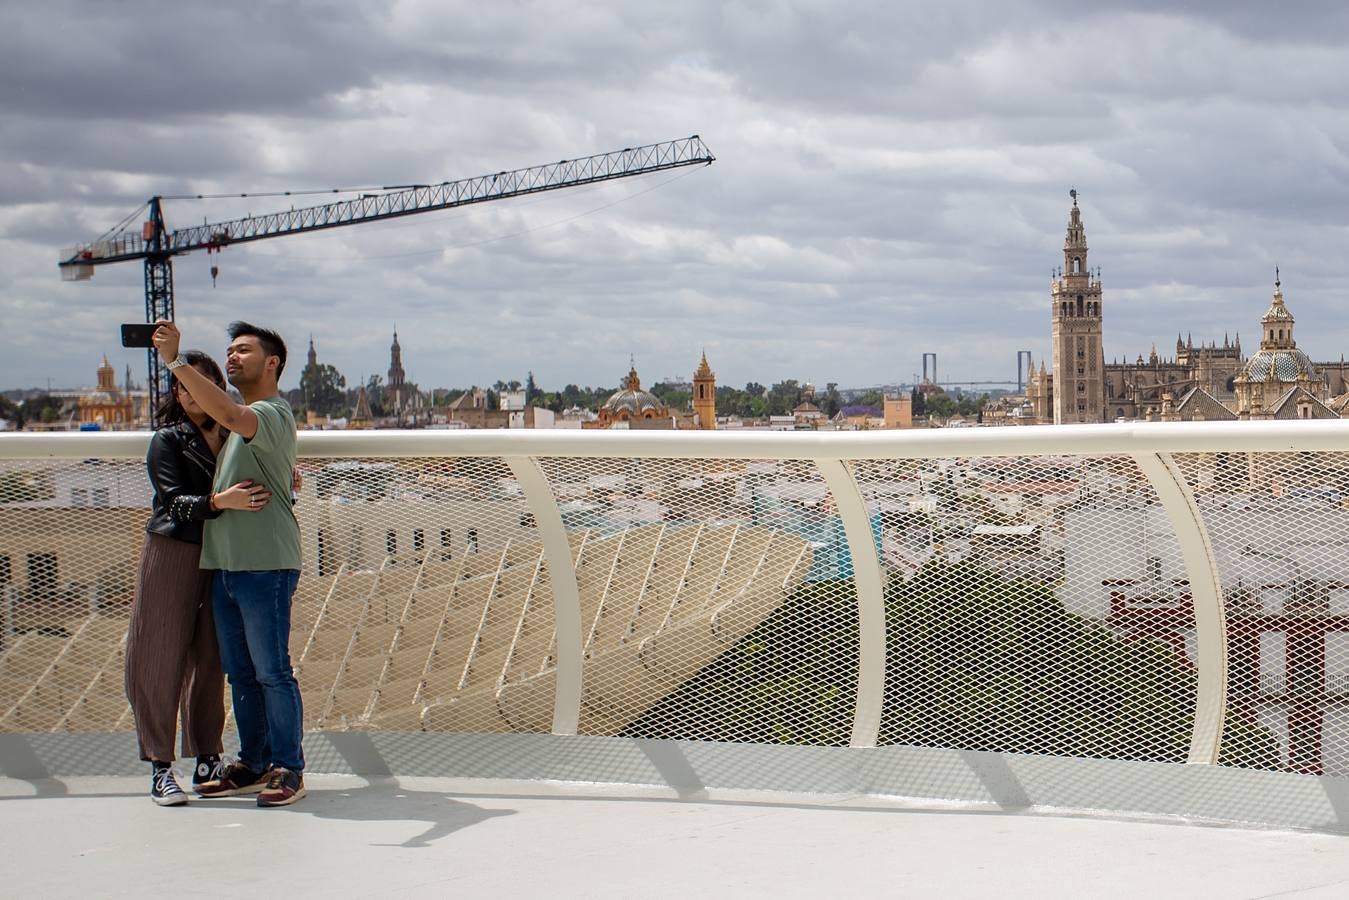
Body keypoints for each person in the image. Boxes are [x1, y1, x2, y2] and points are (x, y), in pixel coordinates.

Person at [153, 319, 306, 808]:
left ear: (273, 363)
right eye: (230, 351)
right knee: (240, 673)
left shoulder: (269, 412)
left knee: (272, 671)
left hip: (265, 563)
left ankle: (289, 767)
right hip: (227, 566)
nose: (233, 358)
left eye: (243, 351)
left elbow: (228, 411)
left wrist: (176, 361)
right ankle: (255, 762)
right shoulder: (233, 423)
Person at [125, 350, 273, 806]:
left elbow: (261, 469)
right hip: (173, 551)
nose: (193, 395)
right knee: (158, 656)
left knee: (212, 659)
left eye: (202, 384)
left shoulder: (234, 434)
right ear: (176, 391)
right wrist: (219, 502)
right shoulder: (167, 440)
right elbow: (173, 503)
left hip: (220, 555)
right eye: (184, 386)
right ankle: (159, 766)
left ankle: (207, 755)